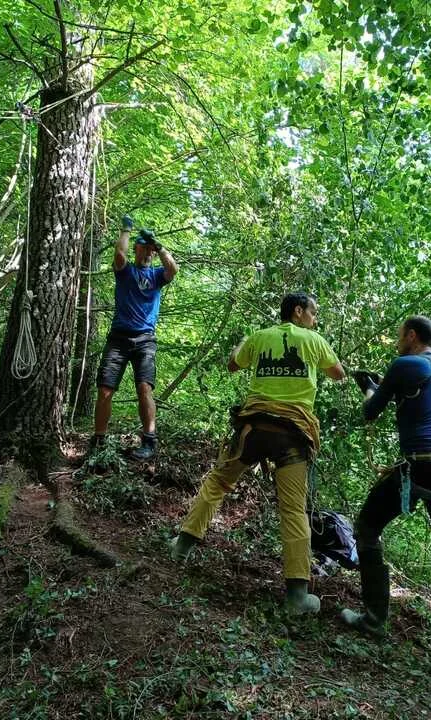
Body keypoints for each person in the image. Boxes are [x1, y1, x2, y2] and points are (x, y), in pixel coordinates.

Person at [170, 292, 346, 614]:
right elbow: (338, 373)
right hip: (293, 434)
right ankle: (297, 596)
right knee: (293, 509)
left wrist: (242, 345)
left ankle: (181, 547)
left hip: (253, 429)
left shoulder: (259, 337)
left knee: (218, 483)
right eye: (313, 312)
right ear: (298, 311)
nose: (315, 318)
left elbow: (233, 364)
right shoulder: (315, 341)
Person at [341, 315, 431, 680]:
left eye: (400, 336)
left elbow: (370, 411)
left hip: (419, 465)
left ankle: (374, 619)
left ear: (412, 336)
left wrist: (369, 387)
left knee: (367, 527)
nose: (397, 342)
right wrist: (384, 386)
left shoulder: (405, 364)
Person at [90, 214, 177, 461]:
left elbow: (173, 269)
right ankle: (98, 441)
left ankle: (149, 441)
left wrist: (158, 245)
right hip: (118, 338)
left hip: (145, 340)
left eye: (150, 250)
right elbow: (119, 255)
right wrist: (126, 230)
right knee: (105, 389)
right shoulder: (126, 271)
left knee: (144, 388)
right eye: (144, 248)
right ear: (136, 249)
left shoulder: (157, 276)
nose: (148, 253)